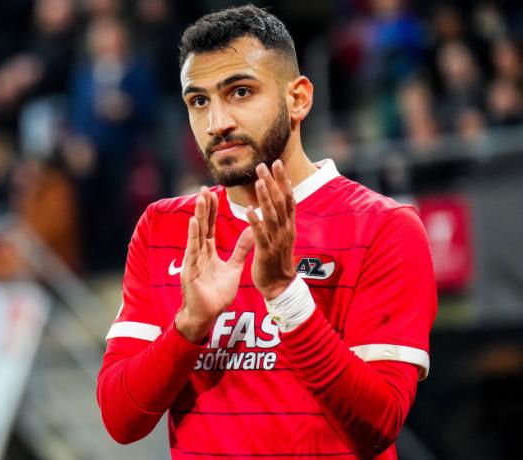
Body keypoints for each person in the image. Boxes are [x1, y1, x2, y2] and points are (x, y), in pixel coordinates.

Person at [97, 5, 437, 459]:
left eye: (240, 92)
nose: (217, 123)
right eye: (199, 101)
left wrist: (285, 295)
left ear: (298, 98)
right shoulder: (166, 227)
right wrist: (190, 325)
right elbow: (120, 420)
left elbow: (378, 426)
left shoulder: (384, 227)